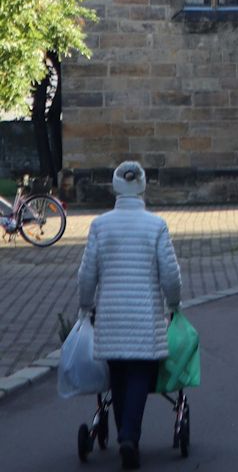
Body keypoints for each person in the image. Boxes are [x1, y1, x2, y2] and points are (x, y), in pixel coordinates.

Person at [77, 161, 182, 470]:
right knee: (140, 373)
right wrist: (174, 304)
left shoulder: (99, 225)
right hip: (145, 317)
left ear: (115, 187)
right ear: (143, 187)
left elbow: (86, 274)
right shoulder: (156, 225)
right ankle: (128, 437)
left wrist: (85, 306)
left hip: (110, 315)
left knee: (119, 373)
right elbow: (171, 276)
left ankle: (125, 431)